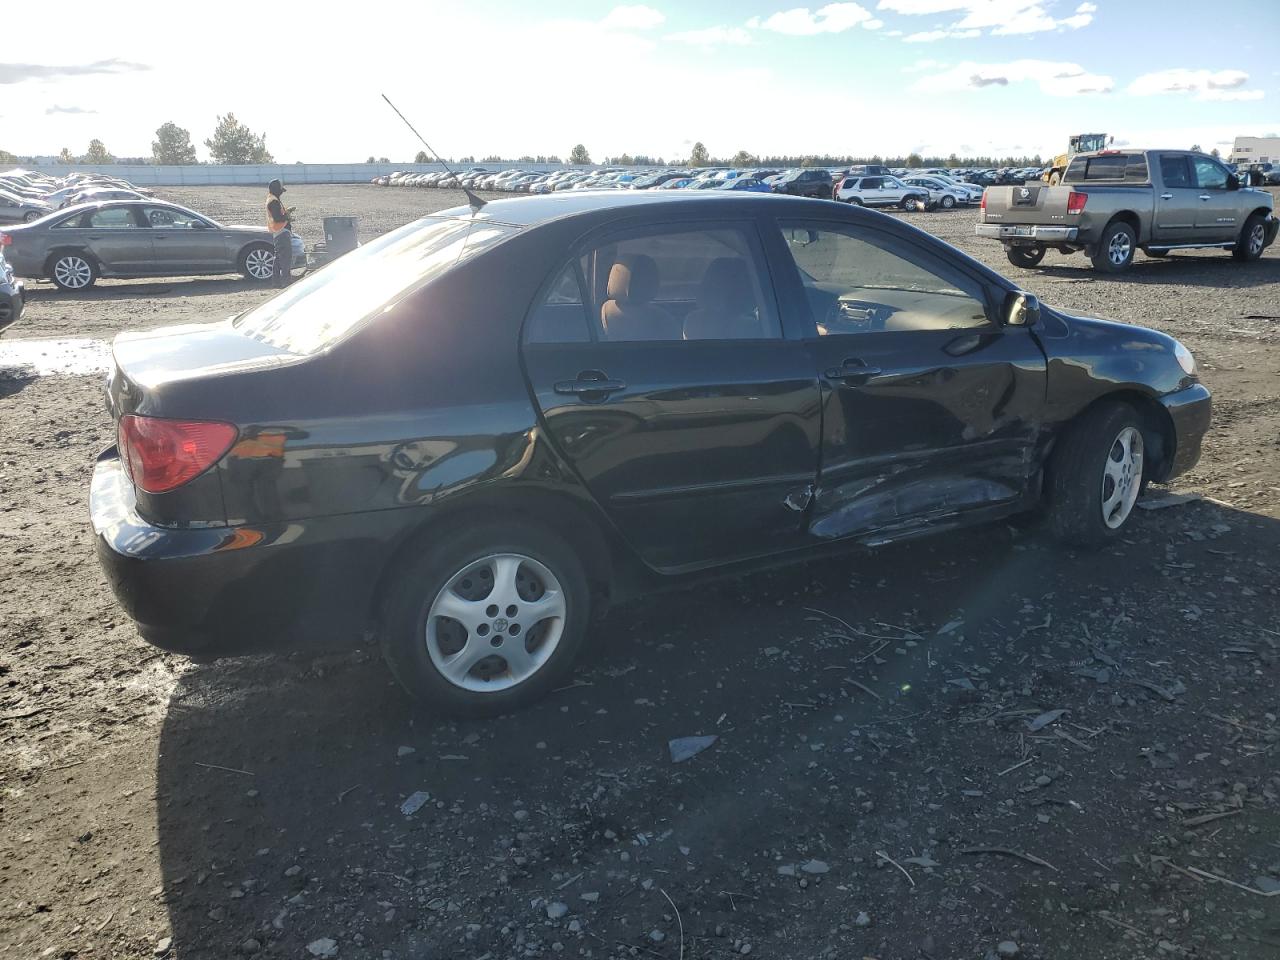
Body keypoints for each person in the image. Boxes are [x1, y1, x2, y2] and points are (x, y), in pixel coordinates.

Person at [265, 179, 295, 288]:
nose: (282, 192)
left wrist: (287, 212)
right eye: (281, 190)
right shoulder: (274, 201)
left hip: (278, 232)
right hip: (281, 232)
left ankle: (276, 282)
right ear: (277, 190)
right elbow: (278, 218)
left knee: (278, 259)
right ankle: (286, 282)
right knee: (285, 258)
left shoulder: (272, 199)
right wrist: (287, 216)